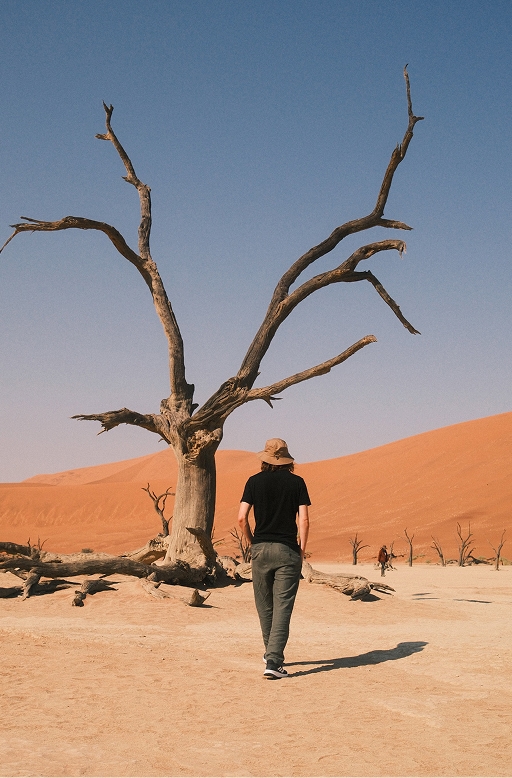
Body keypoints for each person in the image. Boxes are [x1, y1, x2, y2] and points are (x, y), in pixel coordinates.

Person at [238, 438, 310, 680]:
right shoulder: (297, 483)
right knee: (283, 607)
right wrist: (301, 549)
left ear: (265, 459)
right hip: (287, 550)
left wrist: (252, 543)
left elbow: (241, 518)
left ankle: (271, 653)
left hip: (260, 549)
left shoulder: (253, 482)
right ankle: (274, 661)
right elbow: (304, 520)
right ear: (287, 460)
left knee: (264, 605)